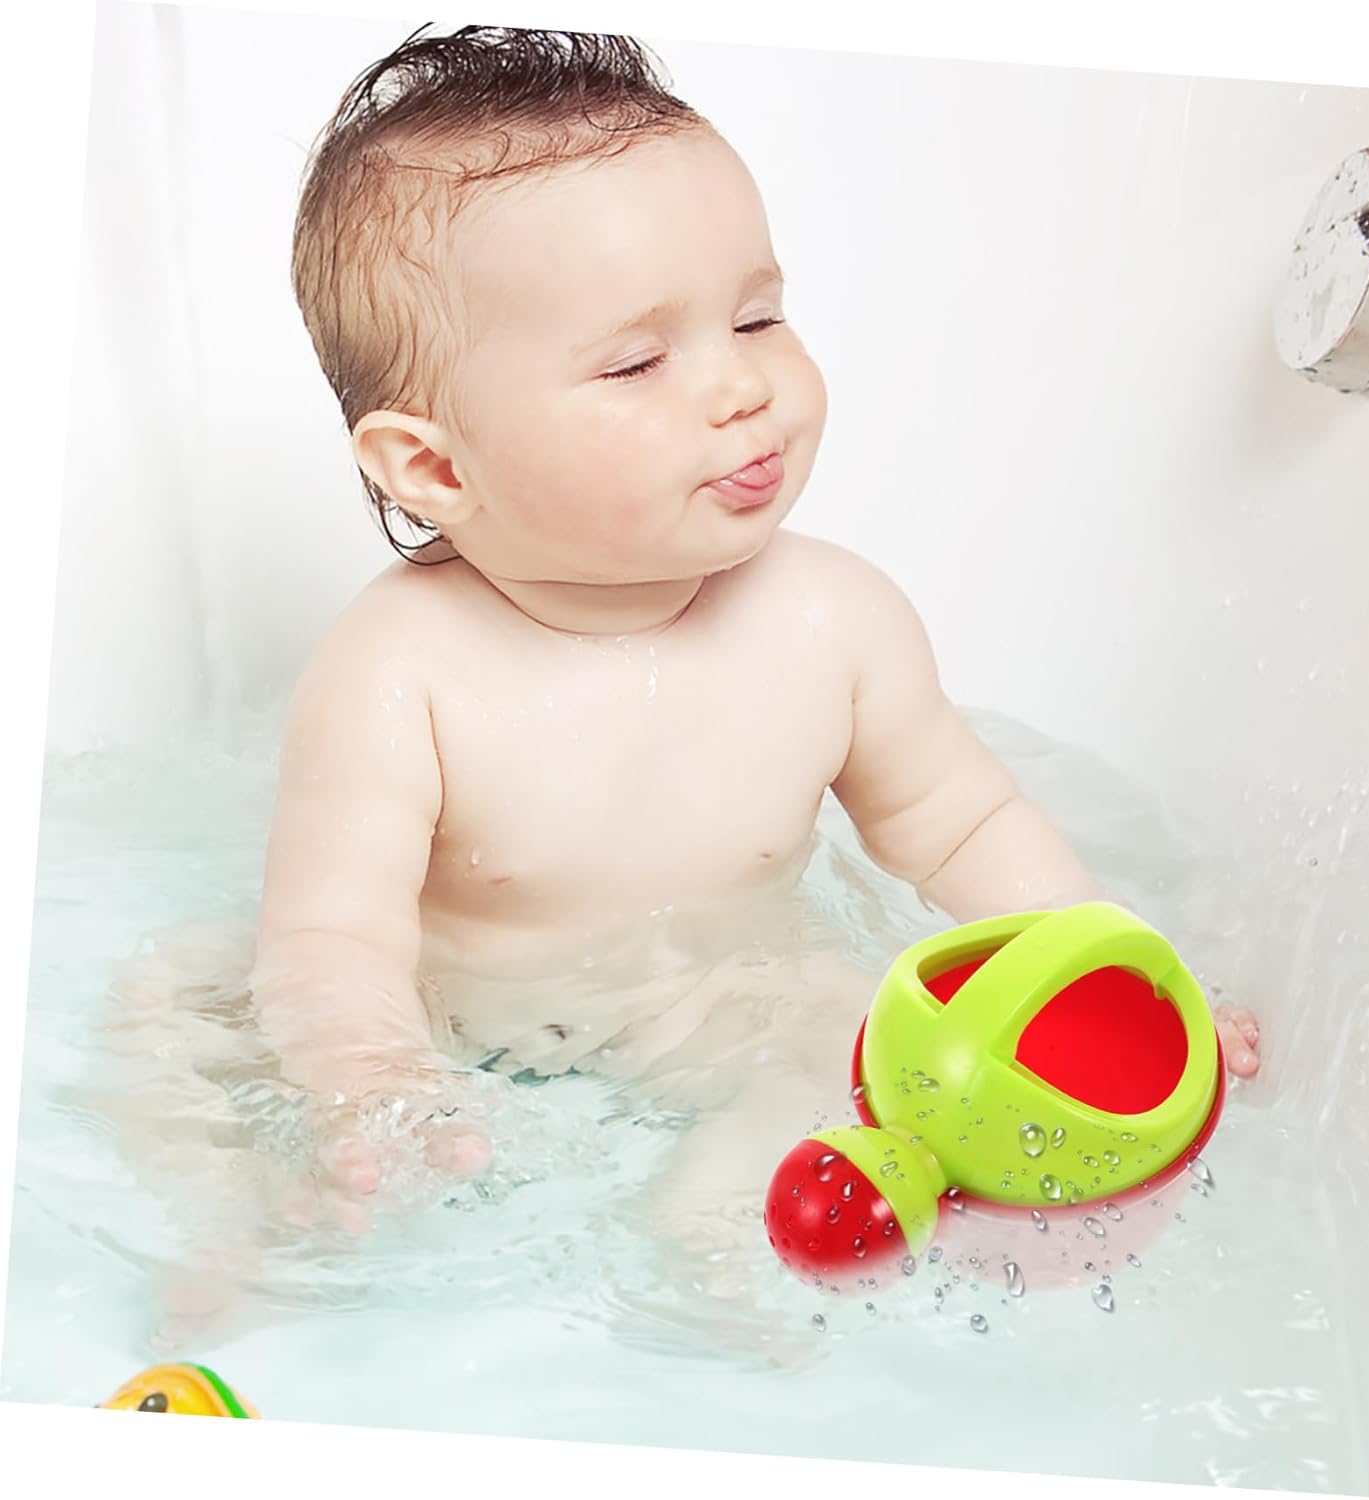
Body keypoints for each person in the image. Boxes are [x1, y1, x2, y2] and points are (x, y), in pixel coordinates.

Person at [255, 25, 1259, 1253]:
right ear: (435, 467)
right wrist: (372, 1079)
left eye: (756, 318)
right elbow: (334, 933)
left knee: (847, 1057)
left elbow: (963, 826)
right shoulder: (397, 672)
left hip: (723, 1002)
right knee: (192, 1049)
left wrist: (1111, 982)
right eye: (637, 362)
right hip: (452, 1019)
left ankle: (720, 1249)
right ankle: (258, 1248)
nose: (742, 387)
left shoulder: (833, 619)